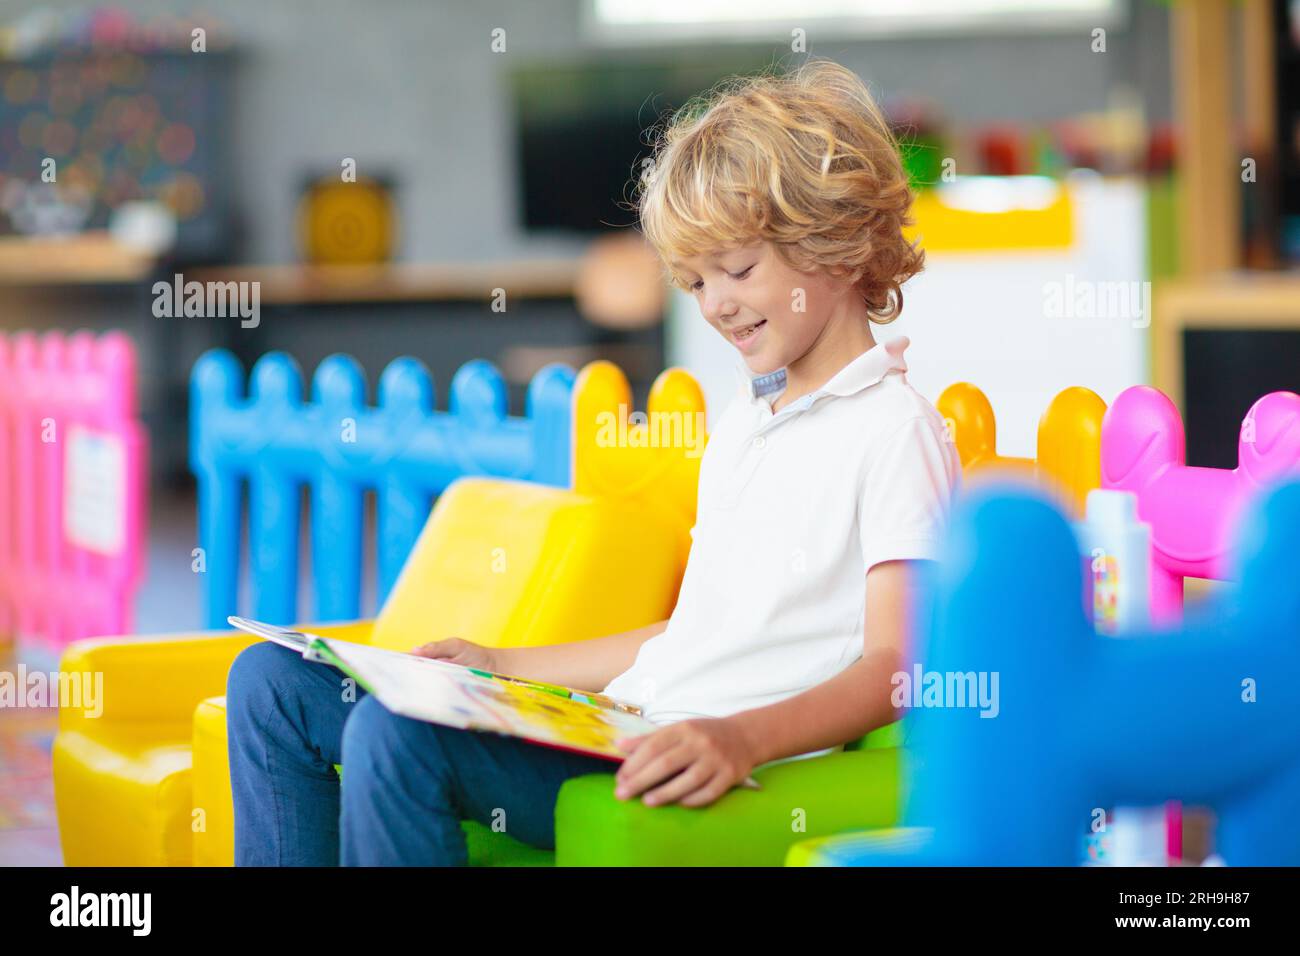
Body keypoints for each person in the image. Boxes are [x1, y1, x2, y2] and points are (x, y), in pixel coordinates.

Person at [226, 58, 961, 866]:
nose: (714, 303)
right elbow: (694, 630)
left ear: (836, 244)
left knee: (401, 737)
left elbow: (896, 666)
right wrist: (501, 667)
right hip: (629, 726)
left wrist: (740, 739)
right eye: (695, 280)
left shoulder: (894, 432)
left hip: (697, 760)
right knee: (272, 687)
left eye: (739, 270)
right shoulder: (752, 426)